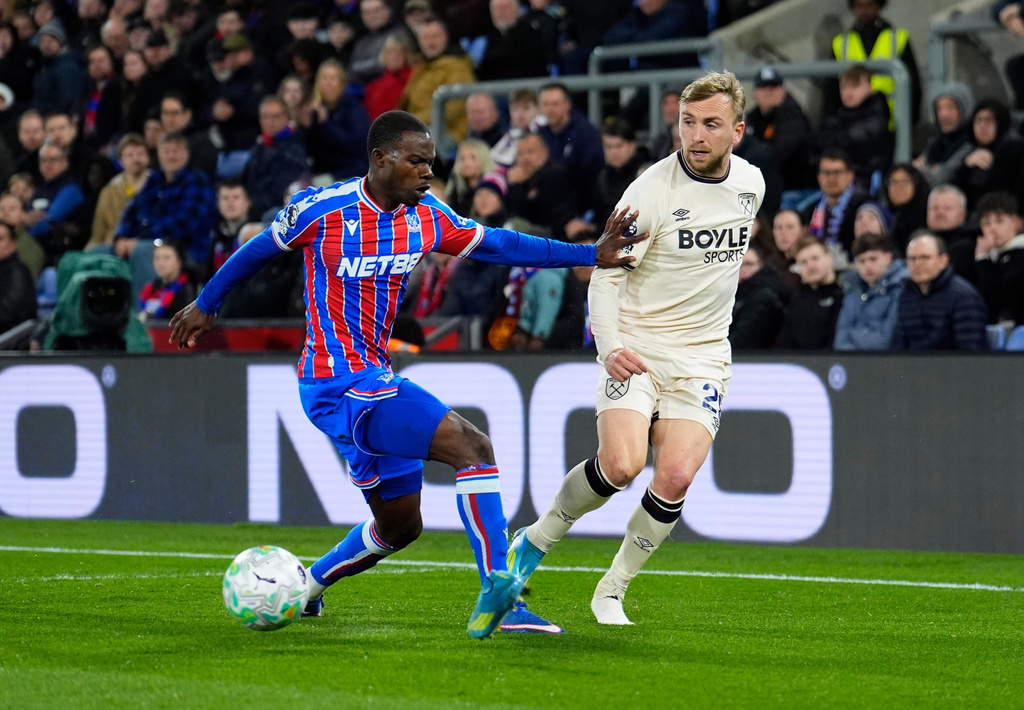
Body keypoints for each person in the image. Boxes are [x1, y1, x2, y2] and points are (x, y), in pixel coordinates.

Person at [167, 110, 647, 638]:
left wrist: (589, 254)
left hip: (371, 376)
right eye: (416, 161)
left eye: (430, 163)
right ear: (380, 158)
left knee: (400, 526)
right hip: (337, 382)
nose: (426, 172)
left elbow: (501, 244)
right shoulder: (321, 209)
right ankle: (501, 595)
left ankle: (307, 589)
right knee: (473, 447)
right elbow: (257, 249)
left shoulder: (426, 216)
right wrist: (206, 304)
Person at [506, 71, 765, 626]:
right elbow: (605, 273)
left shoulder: (751, 186)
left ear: (736, 131)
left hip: (703, 357)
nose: (695, 135)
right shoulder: (649, 192)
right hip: (639, 345)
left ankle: (612, 589)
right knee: (622, 466)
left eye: (710, 124)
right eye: (687, 122)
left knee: (674, 477)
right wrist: (610, 346)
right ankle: (535, 539)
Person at [827, 0, 921, 127]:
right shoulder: (841, 43)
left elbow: (913, 85)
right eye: (859, 6)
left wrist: (910, 124)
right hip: (851, 126)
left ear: (879, 6)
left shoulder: (898, 38)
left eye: (869, 5)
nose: (864, 11)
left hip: (893, 127)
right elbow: (831, 92)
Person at [890, 231, 987, 350]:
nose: (918, 264)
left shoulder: (963, 297)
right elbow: (897, 348)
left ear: (943, 261)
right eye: (912, 259)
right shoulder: (906, 296)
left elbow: (970, 352)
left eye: (924, 258)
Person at [833, 232, 907, 350]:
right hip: (851, 364)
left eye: (873, 259)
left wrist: (854, 334)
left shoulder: (900, 288)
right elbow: (841, 339)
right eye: (862, 261)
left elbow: (886, 338)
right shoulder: (851, 289)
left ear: (888, 258)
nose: (867, 266)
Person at [243, 96, 310, 216]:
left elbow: (279, 191)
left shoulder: (294, 149)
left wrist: (249, 204)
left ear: (287, 117)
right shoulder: (260, 145)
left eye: (275, 117)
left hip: (277, 212)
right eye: (265, 117)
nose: (269, 122)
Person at [774, 236, 843, 349]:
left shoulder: (844, 296)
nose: (810, 265)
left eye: (815, 258)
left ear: (829, 259)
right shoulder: (795, 301)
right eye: (803, 262)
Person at [88, 133, 150, 251]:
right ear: (121, 161)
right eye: (130, 155)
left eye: (140, 154)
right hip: (112, 246)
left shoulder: (159, 186)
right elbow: (98, 231)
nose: (136, 159)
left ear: (148, 157)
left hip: (146, 246)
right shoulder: (109, 191)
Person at [973, 191, 1024, 326]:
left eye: (999, 221)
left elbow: (998, 296)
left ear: (1016, 222)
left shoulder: (1020, 255)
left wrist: (982, 259)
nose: (993, 228)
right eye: (986, 223)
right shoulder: (987, 258)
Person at [912, 83, 974, 187]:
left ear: (964, 109)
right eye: (939, 108)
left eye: (950, 107)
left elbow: (939, 179)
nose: (943, 115)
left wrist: (926, 169)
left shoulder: (970, 141)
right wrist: (932, 170)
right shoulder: (937, 139)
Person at [729, 242, 787, 349]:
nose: (742, 270)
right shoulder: (734, 294)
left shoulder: (765, 297)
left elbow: (744, 340)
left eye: (748, 264)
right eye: (738, 265)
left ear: (762, 265)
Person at [138, 238, 196, 321]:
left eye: (166, 258)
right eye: (157, 258)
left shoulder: (186, 290)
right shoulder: (151, 288)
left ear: (179, 261)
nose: (160, 263)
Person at [0, 220, 37, 334]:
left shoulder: (17, 272)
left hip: (12, 343)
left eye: (0, 239)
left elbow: (7, 314)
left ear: (13, 245)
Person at [883, 163, 928, 256]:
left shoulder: (926, 216)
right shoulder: (886, 215)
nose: (899, 187)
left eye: (905, 181)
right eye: (893, 182)